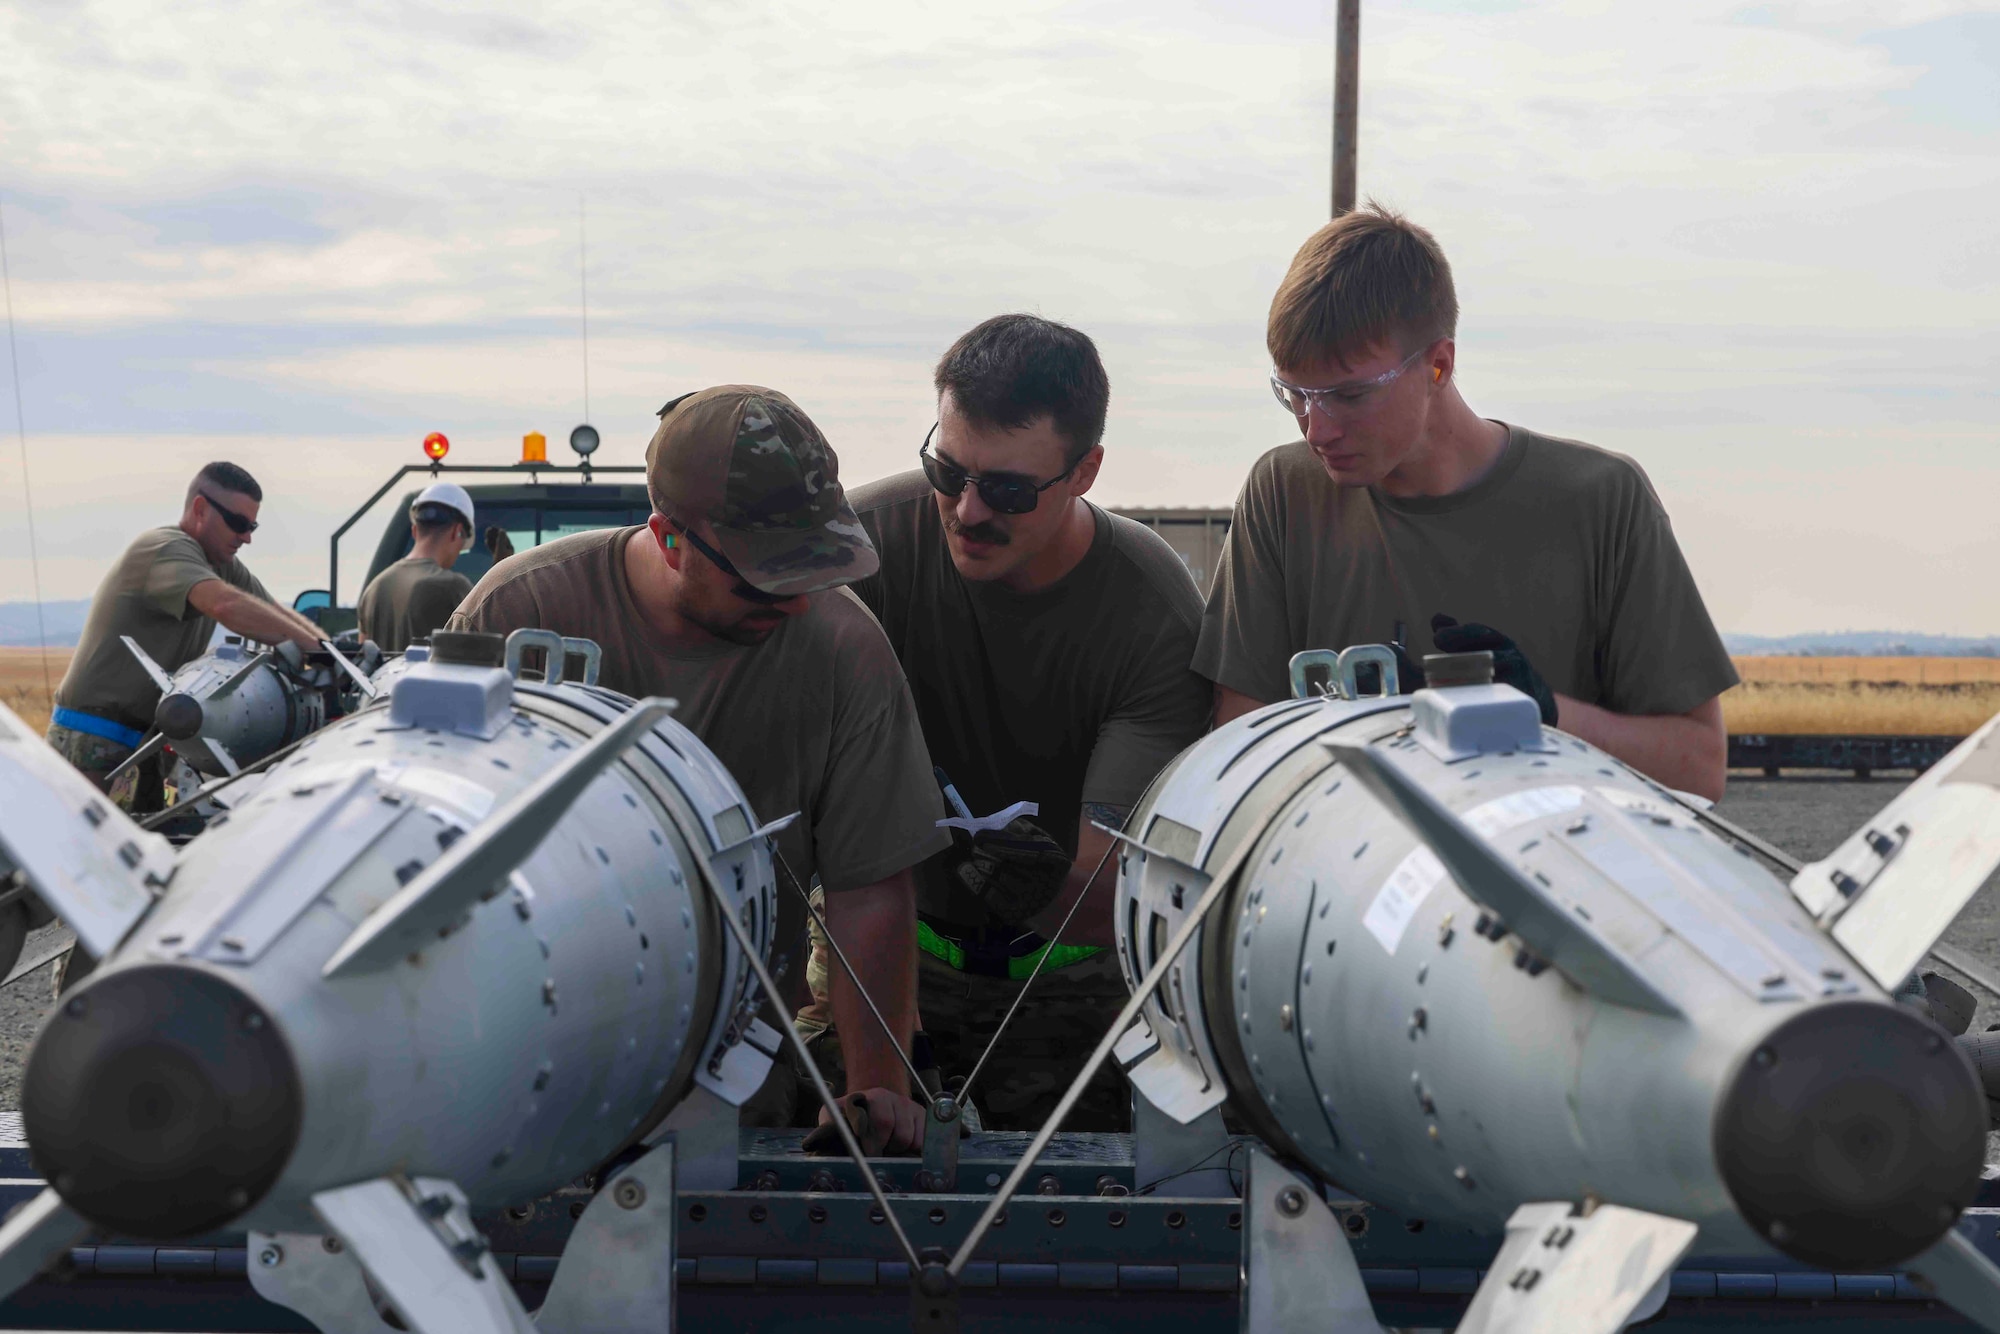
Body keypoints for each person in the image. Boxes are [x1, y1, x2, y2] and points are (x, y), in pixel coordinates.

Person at [448, 385, 949, 1154]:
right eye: (762, 579)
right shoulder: (519, 612)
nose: (793, 607)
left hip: (737, 1073)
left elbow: (870, 887)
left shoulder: (847, 649)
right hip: (511, 1057)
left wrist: (876, 1088)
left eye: (811, 574)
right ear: (669, 536)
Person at [1197, 206, 1737, 800]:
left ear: (1439, 364)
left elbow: (1699, 769)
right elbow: (1240, 749)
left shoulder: (1602, 500)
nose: (1316, 429)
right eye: (1295, 395)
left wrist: (1545, 713)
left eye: (1349, 395)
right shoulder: (1284, 494)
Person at [838, 314, 1210, 1130]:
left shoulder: (1151, 614)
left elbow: (1115, 890)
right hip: (876, 974)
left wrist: (1040, 889)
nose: (966, 512)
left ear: (1085, 472)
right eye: (947, 468)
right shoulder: (858, 554)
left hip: (1075, 996)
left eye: (1007, 490)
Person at [49, 461, 324, 810]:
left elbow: (274, 613)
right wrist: (314, 648)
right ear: (200, 509)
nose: (247, 537)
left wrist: (329, 652)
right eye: (238, 524)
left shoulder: (220, 564)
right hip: (94, 740)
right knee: (82, 850)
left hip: (143, 740)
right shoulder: (166, 548)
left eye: (252, 525)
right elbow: (227, 605)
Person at [357, 481, 476, 652]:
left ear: (414, 530)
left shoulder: (373, 589)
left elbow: (364, 657)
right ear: (456, 531)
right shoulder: (453, 587)